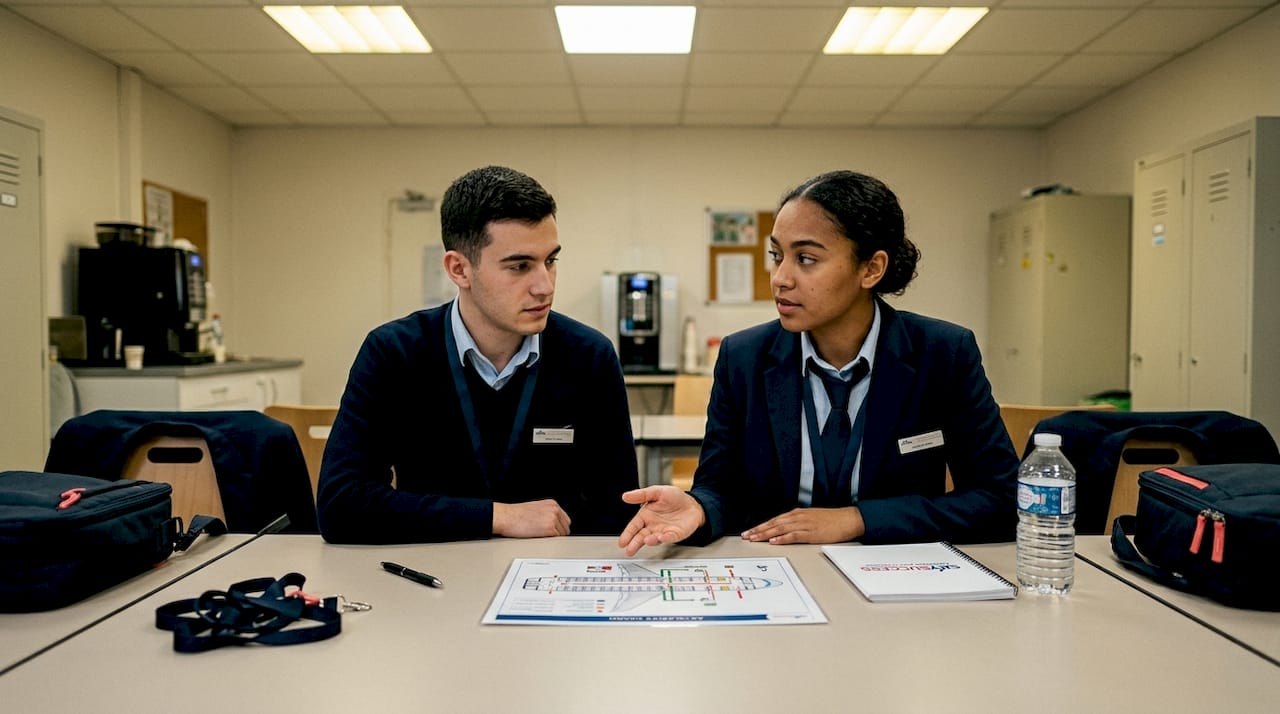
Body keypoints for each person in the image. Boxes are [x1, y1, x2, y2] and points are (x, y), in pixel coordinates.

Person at [619, 169, 1018, 556]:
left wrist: (859, 520)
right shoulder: (743, 358)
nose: (780, 278)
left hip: (896, 577)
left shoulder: (943, 354)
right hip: (779, 573)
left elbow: (1000, 498)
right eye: (777, 255)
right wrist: (699, 507)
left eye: (806, 259)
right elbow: (720, 487)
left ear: (871, 268)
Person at [318, 165, 638, 544]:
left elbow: (618, 509)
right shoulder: (395, 353)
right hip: (434, 572)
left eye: (550, 260)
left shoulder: (589, 357)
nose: (544, 286)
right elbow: (341, 505)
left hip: (553, 574)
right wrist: (497, 517)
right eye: (520, 266)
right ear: (459, 269)